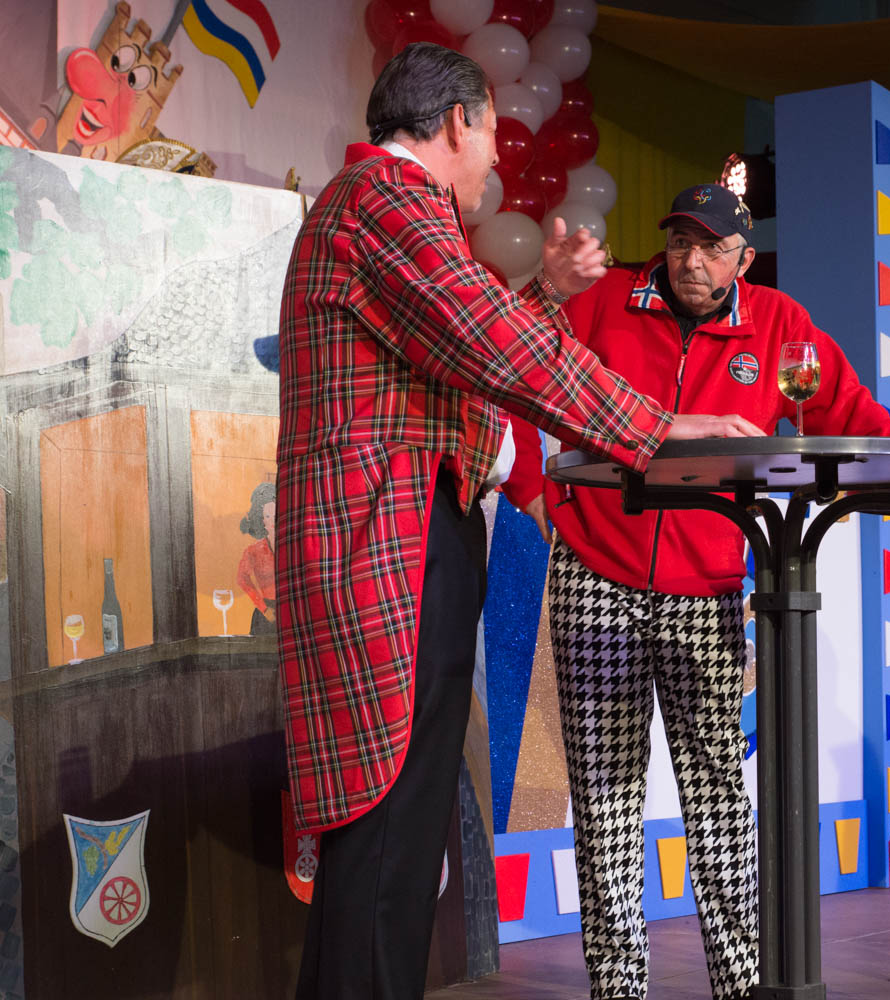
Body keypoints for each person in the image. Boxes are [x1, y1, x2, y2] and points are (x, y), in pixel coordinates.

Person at [276, 45, 761, 1000]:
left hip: (405, 533)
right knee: (388, 833)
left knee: (393, 835)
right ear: (456, 122)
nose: (499, 156)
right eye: (493, 131)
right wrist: (657, 429)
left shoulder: (382, 209)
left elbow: (455, 338)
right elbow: (489, 344)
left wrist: (543, 295)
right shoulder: (388, 201)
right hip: (389, 542)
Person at [505, 183, 890, 1000]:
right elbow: (516, 367)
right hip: (597, 570)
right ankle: (617, 990)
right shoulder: (606, 299)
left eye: (709, 247)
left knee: (719, 796)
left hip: (708, 583)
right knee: (605, 798)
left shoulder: (779, 323)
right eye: (679, 242)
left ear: (744, 259)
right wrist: (533, 494)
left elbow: (845, 408)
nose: (690, 260)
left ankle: (740, 983)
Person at [236, 481, 277, 635]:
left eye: (276, 515)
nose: (272, 521)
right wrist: (263, 608)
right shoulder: (253, 551)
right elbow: (242, 578)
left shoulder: (293, 547)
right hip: (266, 615)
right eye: (267, 516)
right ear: (261, 519)